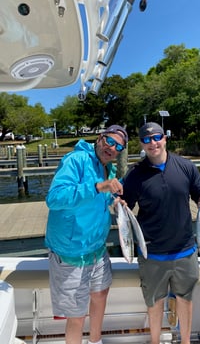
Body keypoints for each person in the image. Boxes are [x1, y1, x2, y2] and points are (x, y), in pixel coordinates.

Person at [121, 122, 200, 344]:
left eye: (156, 138)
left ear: (165, 139)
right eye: (146, 139)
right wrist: (118, 204)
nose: (152, 143)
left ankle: (186, 342)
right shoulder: (134, 174)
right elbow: (126, 205)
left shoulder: (186, 166)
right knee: (154, 303)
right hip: (151, 253)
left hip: (185, 250)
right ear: (141, 144)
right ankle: (154, 341)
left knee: (185, 299)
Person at [45, 125, 128, 344]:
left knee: (100, 295)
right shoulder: (76, 160)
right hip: (71, 253)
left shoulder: (107, 168)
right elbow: (54, 198)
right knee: (77, 315)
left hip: (97, 250)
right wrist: (99, 187)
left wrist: (114, 200)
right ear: (100, 138)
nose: (112, 148)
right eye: (110, 141)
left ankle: (95, 341)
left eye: (118, 146)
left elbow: (100, 198)